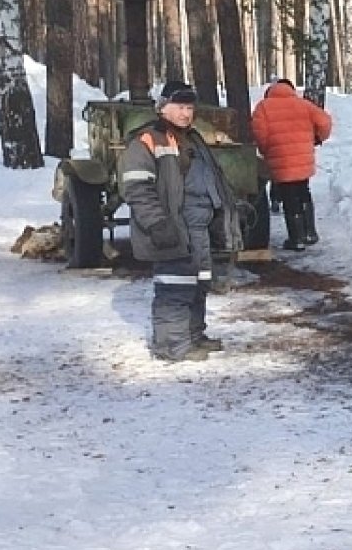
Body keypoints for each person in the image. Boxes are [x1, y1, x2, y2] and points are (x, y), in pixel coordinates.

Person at [119, 79, 243, 362]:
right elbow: (136, 188)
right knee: (175, 287)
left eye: (189, 107)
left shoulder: (193, 138)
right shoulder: (148, 140)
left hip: (198, 229)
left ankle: (194, 336)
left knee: (198, 284)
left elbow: (212, 180)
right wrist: (157, 224)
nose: (186, 113)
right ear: (162, 107)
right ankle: (171, 346)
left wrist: (229, 209)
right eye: (179, 106)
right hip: (172, 227)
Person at [251, 78, 333, 250]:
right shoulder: (303, 105)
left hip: (280, 159)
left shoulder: (263, 107)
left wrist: (267, 150)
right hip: (303, 159)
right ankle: (310, 232)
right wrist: (317, 138)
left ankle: (296, 239)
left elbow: (260, 134)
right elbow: (325, 121)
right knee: (303, 191)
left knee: (289, 197)